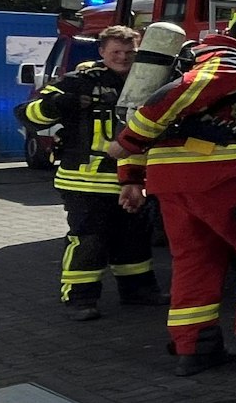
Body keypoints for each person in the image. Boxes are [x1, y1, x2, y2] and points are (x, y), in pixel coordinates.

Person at [106, 13, 236, 376]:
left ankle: (194, 348)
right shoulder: (231, 62)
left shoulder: (190, 55)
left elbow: (149, 108)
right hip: (217, 175)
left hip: (169, 179)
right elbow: (181, 95)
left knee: (195, 260)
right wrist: (127, 143)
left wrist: (130, 176)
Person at [19, 25, 163, 321]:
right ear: (101, 52)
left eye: (129, 52)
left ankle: (138, 291)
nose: (122, 58)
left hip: (133, 179)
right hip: (84, 179)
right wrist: (58, 103)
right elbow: (27, 114)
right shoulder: (78, 82)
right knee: (89, 239)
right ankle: (80, 298)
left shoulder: (148, 83)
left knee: (134, 237)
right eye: (116, 52)